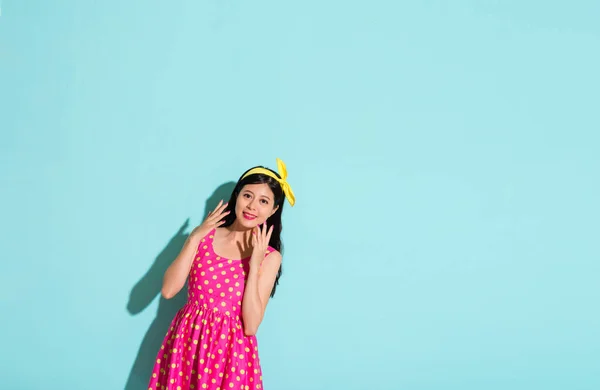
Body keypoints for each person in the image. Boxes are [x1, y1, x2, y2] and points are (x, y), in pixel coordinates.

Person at [147, 158, 295, 390]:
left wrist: (254, 265)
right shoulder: (204, 237)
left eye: (263, 201)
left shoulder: (269, 257)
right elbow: (168, 290)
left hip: (230, 355)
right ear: (237, 196)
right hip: (187, 343)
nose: (252, 206)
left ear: (274, 209)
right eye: (247, 195)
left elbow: (251, 326)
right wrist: (194, 237)